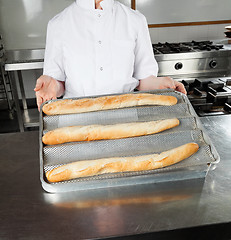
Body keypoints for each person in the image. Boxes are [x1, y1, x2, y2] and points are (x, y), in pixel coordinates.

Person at [34, 0, 186, 110]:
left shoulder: (135, 20)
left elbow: (143, 80)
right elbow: (58, 84)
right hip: (76, 117)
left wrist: (162, 84)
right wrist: (53, 86)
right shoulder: (58, 23)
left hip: (126, 116)